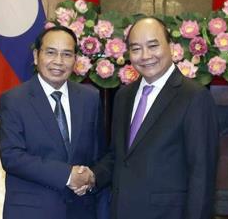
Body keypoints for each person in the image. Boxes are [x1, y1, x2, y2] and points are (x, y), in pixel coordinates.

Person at [90, 17, 219, 219]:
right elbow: (119, 156)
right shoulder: (124, 96)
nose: (145, 56)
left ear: (171, 47)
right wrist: (91, 177)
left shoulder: (194, 97)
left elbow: (201, 174)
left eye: (153, 46)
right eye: (136, 49)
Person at [0, 26, 108, 219]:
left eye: (67, 54)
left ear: (75, 60)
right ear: (35, 56)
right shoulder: (14, 99)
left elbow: (100, 153)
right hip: (32, 212)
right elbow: (12, 157)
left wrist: (91, 178)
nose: (58, 61)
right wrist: (67, 175)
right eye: (50, 52)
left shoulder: (90, 97)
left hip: (81, 210)